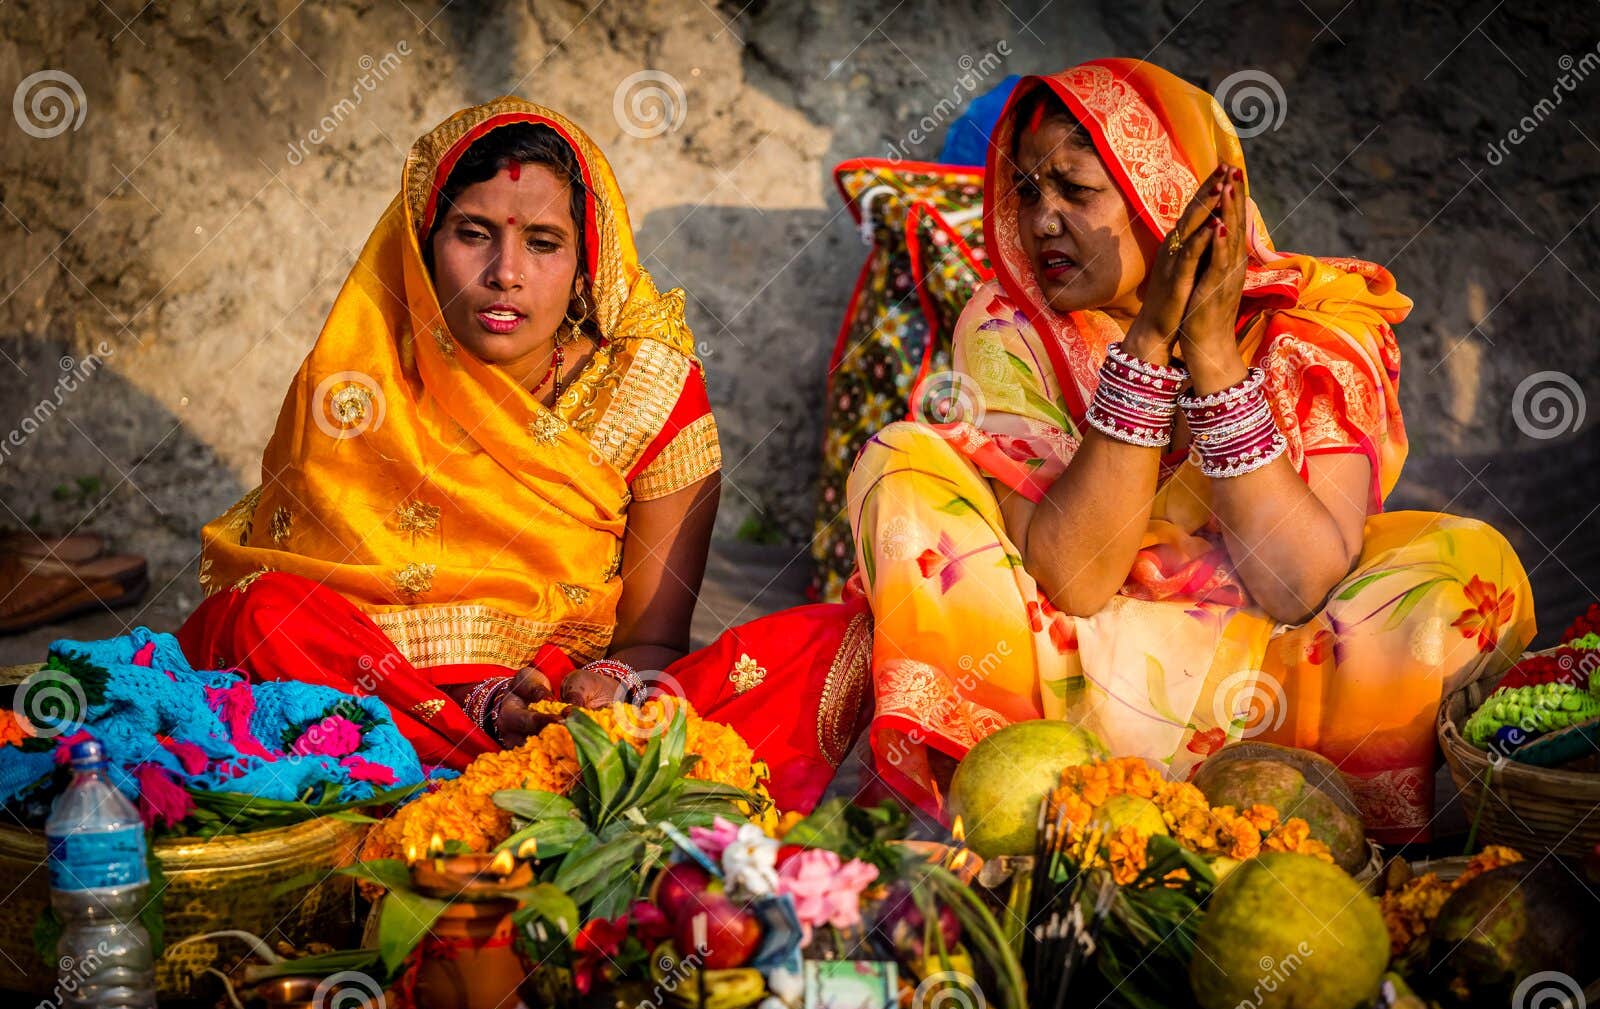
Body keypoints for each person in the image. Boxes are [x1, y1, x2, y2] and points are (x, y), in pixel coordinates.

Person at [846, 60, 1533, 843]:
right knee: (902, 465)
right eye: (1028, 191)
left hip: (1264, 691)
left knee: (1461, 562)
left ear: (1168, 190)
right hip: (1061, 675)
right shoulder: (1011, 324)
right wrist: (1145, 345)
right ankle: (1013, 803)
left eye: (1075, 189)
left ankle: (1292, 818)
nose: (1040, 221)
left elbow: (1299, 583)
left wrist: (1210, 353)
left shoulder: (1318, 327)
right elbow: (1076, 576)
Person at [179, 98, 869, 812]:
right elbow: (302, 614)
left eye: (543, 242)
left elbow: (654, 641)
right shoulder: (362, 381)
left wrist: (599, 690)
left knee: (824, 643)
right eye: (473, 234)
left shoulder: (646, 391)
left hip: (571, 724)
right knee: (263, 613)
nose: (505, 272)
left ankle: (521, 788)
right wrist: (483, 703)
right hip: (384, 696)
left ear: (584, 267)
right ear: (422, 245)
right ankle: (522, 793)